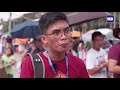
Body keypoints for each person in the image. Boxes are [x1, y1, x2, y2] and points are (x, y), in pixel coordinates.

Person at [20, 12, 89, 78]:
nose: (64, 37)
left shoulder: (78, 63)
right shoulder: (30, 64)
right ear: (44, 39)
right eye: (56, 33)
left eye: (67, 31)